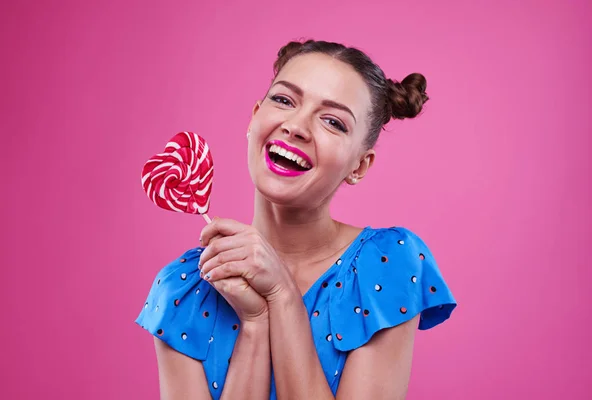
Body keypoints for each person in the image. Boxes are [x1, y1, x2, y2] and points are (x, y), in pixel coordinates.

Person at [135, 39, 457, 400]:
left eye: (333, 122)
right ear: (254, 116)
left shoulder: (386, 265)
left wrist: (282, 295)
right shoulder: (185, 289)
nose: (297, 126)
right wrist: (255, 324)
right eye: (284, 100)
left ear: (359, 165)